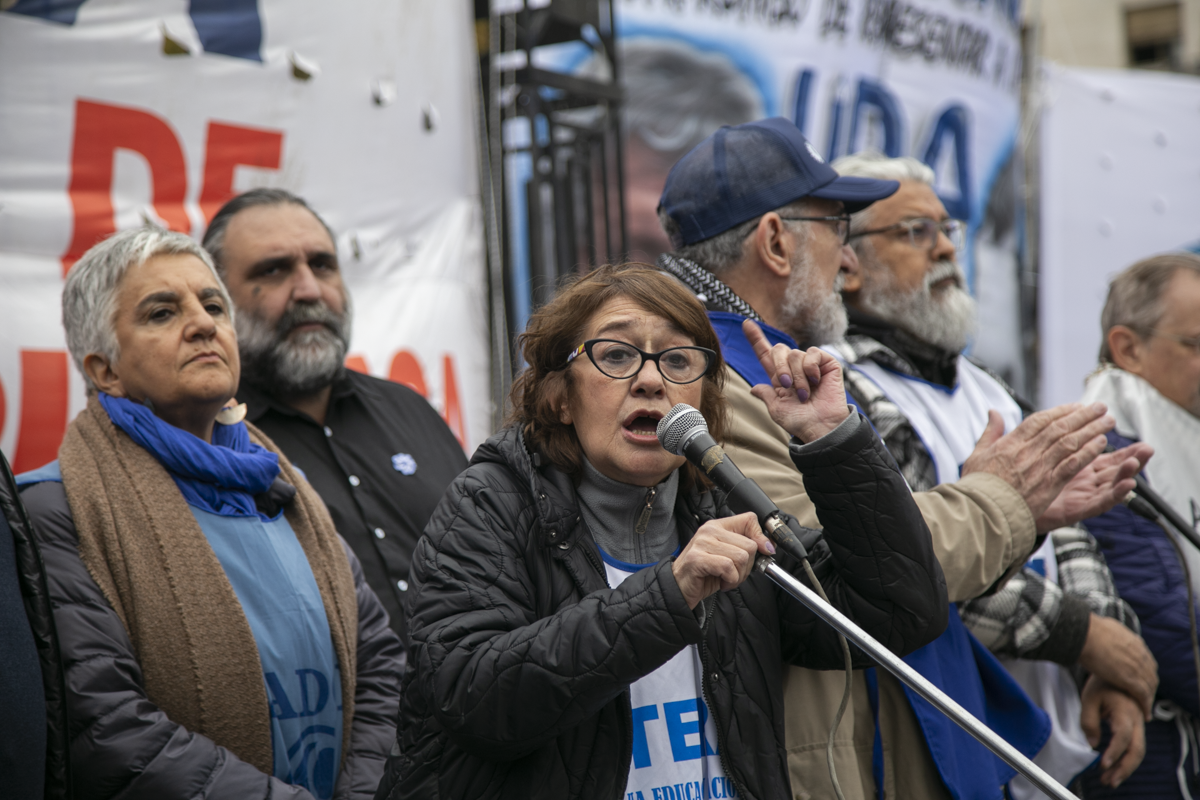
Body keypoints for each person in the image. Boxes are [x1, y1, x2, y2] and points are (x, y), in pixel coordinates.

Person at [654, 117, 1148, 799]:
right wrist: (1003, 497)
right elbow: (844, 569)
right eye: (837, 227)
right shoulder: (713, 382)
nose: (845, 257)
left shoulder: (774, 366)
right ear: (775, 242)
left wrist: (1020, 510)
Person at [374, 263, 948, 800]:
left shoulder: (719, 509)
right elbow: (474, 700)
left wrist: (834, 441)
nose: (651, 379)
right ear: (560, 397)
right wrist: (671, 593)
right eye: (616, 355)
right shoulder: (488, 504)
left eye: (677, 360)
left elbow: (899, 613)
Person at [17, 227, 403, 799]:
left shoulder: (285, 490)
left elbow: (381, 670)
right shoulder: (57, 510)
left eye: (214, 306)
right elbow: (108, 729)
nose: (203, 324)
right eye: (162, 313)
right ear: (105, 370)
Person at [831, 151, 1157, 794]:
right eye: (915, 232)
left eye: (946, 229)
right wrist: (1083, 636)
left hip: (1068, 733)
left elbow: (1071, 528)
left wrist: (1108, 666)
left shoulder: (987, 385)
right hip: (955, 737)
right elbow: (916, 567)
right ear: (847, 264)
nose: (945, 249)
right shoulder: (842, 386)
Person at [202, 189, 468, 646]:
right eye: (274, 270)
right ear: (217, 302)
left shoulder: (409, 411)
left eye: (323, 265)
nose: (309, 290)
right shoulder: (206, 442)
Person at [1076, 253, 1200, 798]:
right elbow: (1168, 629)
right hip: (1154, 763)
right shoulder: (1103, 451)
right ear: (1128, 349)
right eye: (1196, 344)